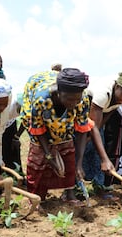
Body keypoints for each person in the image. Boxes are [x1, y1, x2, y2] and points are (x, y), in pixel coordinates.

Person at [20, 68, 91, 204]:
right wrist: (48, 154)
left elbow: (82, 130)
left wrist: (79, 163)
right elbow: (38, 130)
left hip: (64, 124)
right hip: (38, 119)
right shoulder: (41, 99)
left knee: (67, 149)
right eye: (69, 99)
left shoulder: (82, 100)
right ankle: (35, 197)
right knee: (38, 157)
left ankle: (69, 194)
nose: (73, 103)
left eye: (77, 99)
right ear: (58, 93)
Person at [83, 72, 122, 191]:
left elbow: (105, 117)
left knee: (98, 147)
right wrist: (105, 159)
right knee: (82, 150)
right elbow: (92, 125)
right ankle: (74, 189)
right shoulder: (103, 93)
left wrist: (94, 136)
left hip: (96, 118)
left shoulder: (121, 97)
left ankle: (99, 187)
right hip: (84, 111)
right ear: (117, 87)